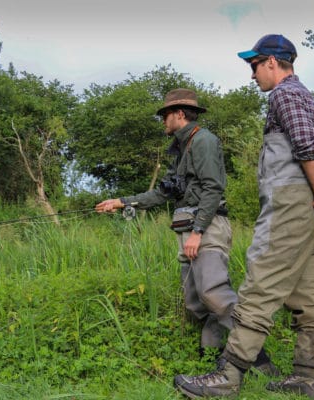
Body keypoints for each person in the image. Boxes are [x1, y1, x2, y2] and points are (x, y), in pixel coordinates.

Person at [173, 34, 314, 400]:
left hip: (290, 205)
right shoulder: (310, 101)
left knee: (259, 282)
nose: (251, 74)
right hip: (311, 207)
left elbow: (307, 149)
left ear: (272, 62)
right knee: (309, 295)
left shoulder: (286, 95)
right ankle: (307, 378)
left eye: (254, 65)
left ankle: (229, 375)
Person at [95, 88, 276, 372]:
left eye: (165, 115)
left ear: (180, 114)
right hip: (188, 230)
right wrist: (121, 202)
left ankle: (260, 360)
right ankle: (211, 357)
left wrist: (198, 231)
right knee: (195, 302)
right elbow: (164, 193)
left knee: (215, 294)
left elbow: (213, 188)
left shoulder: (203, 140)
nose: (162, 121)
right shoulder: (180, 149)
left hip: (206, 228)